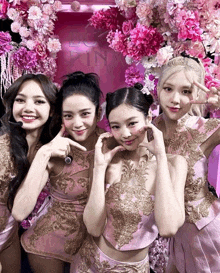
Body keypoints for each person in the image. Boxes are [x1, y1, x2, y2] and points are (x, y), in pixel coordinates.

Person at [70, 85, 187, 273]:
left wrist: (161, 157)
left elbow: (168, 228)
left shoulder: (175, 164)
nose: (124, 134)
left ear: (148, 118)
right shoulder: (106, 159)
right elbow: (93, 227)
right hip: (88, 263)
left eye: (132, 123)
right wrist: (99, 168)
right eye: (116, 126)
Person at [12, 71, 104, 273]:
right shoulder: (52, 150)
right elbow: (19, 212)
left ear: (99, 113)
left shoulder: (111, 145)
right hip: (47, 245)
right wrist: (44, 153)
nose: (78, 124)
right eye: (68, 116)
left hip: (95, 245)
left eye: (85, 114)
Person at [153, 55, 220, 272]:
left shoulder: (203, 128)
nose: (175, 99)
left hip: (206, 230)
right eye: (168, 88)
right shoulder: (150, 128)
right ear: (158, 89)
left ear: (198, 95)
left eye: (186, 92)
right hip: (169, 234)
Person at [0, 73, 57, 273]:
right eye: (20, 100)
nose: (28, 108)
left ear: (51, 110)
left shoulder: (46, 149)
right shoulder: (2, 149)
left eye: (39, 101)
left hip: (9, 240)